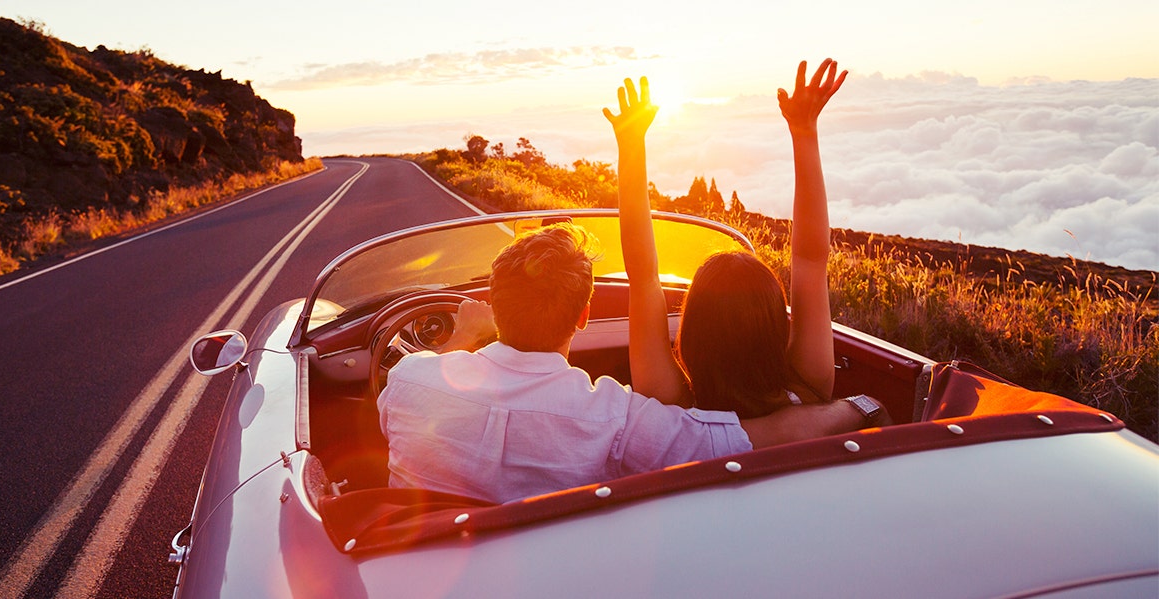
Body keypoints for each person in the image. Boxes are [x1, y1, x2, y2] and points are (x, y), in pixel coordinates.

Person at [378, 221, 881, 505]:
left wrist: (464, 336)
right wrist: (856, 405)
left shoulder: (405, 382)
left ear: (493, 303)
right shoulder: (613, 418)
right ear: (584, 316)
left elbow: (432, 377)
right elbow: (749, 439)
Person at [603, 59, 882, 429]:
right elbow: (810, 261)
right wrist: (804, 130)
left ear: (691, 336)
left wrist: (631, 144)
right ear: (776, 330)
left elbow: (642, 277)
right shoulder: (810, 386)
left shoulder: (674, 408)